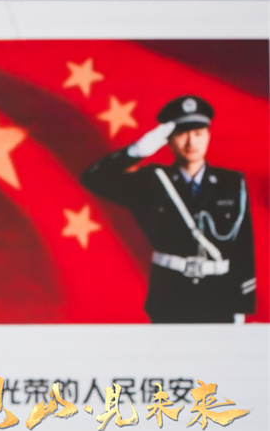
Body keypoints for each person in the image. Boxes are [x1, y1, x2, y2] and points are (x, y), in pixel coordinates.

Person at [81, 95, 255, 323]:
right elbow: (93, 179)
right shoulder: (151, 181)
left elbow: (243, 246)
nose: (191, 142)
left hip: (220, 296)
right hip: (170, 294)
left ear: (208, 135)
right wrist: (137, 151)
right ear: (168, 139)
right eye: (182, 133)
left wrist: (241, 305)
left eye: (199, 133)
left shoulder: (231, 182)